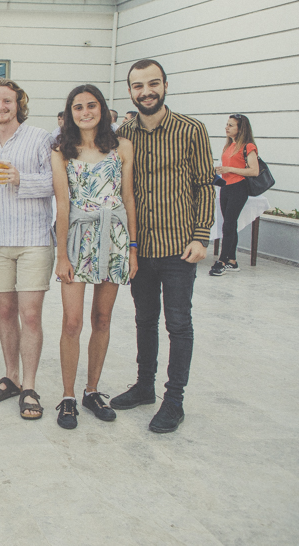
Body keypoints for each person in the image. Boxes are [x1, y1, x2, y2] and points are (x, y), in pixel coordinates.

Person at [112, 59, 214, 434]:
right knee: (144, 320)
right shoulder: (123, 135)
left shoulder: (192, 129)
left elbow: (205, 185)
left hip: (179, 247)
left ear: (165, 86)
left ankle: (174, 401)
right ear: (130, 92)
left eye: (153, 84)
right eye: (138, 86)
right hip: (140, 247)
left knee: (178, 323)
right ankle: (144, 386)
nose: (146, 92)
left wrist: (201, 236)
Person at [51, 84, 138, 429]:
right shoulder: (61, 151)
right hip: (78, 239)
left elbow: (128, 199)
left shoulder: (122, 147)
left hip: (114, 238)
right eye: (78, 107)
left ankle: (92, 390)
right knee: (72, 322)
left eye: (91, 105)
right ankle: (68, 396)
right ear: (70, 113)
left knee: (102, 318)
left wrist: (132, 248)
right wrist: (61, 255)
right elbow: (62, 204)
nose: (85, 112)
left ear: (101, 109)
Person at [0, 78, 54, 420]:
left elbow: (57, 182)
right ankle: (11, 377)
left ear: (18, 104)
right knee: (6, 312)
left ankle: (30, 386)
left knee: (31, 314)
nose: (1, 107)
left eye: (7, 101)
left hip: (34, 239)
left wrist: (22, 179)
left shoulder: (40, 138)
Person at [210, 114, 259, 277]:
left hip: (239, 187)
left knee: (229, 224)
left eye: (231, 125)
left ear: (240, 128)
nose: (227, 127)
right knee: (229, 224)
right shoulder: (229, 146)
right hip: (226, 187)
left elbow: (254, 170)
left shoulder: (248, 146)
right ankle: (232, 261)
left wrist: (229, 169)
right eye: (227, 124)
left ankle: (222, 261)